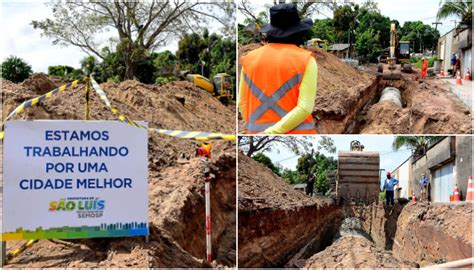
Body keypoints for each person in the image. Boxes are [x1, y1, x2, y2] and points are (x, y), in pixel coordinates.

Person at [238, 3, 317, 134]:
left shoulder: (249, 59)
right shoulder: (306, 60)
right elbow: (304, 108)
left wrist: (255, 127)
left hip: (255, 133)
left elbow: (242, 103)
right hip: (296, 134)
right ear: (299, 32)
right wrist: (272, 132)